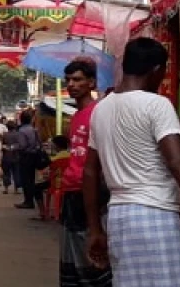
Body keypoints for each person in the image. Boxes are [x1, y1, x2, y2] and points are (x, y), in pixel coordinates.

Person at [84, 38, 180, 287]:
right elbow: (177, 162)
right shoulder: (156, 104)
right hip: (154, 213)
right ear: (156, 70)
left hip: (119, 215)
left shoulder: (101, 109)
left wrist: (95, 229)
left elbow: (89, 172)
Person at [59, 59, 112, 287]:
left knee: (92, 256)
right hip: (71, 192)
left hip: (89, 193)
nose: (71, 84)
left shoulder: (98, 112)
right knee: (72, 256)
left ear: (91, 82)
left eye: (78, 79)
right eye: (69, 80)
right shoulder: (75, 116)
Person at [14, 110, 42, 209]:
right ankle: (32, 201)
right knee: (31, 179)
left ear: (21, 120)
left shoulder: (22, 131)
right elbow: (39, 143)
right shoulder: (34, 130)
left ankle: (28, 201)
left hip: (25, 156)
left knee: (26, 180)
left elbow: (22, 145)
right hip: (34, 156)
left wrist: (14, 148)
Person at [0, 119, 21, 195]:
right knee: (16, 173)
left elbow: (2, 146)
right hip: (16, 157)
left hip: (6, 157)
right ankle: (16, 189)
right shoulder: (18, 134)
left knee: (6, 173)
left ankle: (6, 189)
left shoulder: (4, 135)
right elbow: (20, 145)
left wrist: (6, 148)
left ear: (7, 127)